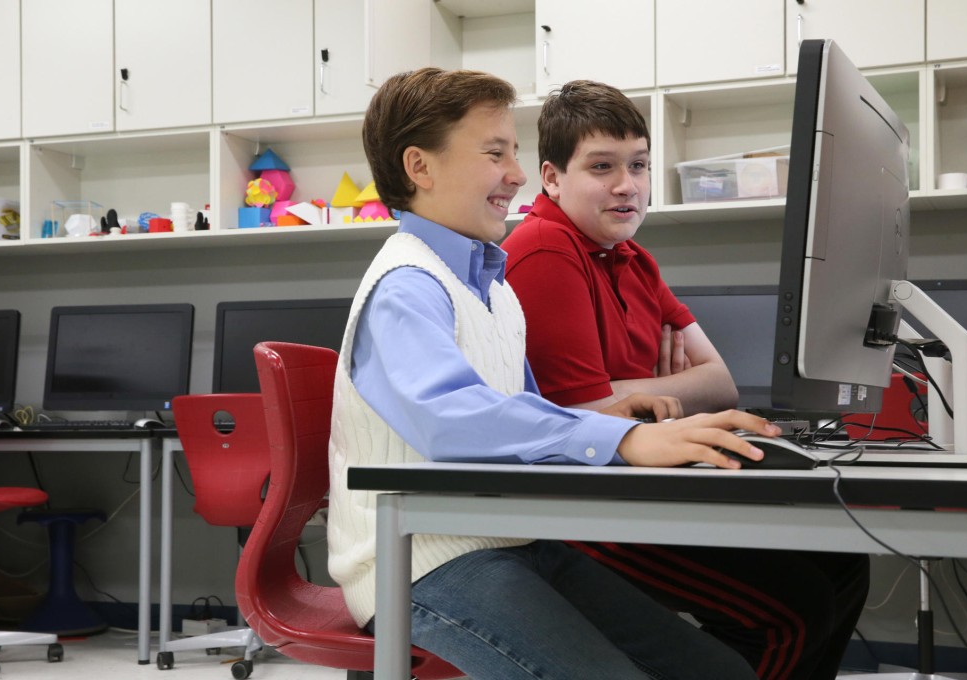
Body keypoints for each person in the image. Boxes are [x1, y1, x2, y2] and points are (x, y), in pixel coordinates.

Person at [326, 66, 778, 680]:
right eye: (494, 153)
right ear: (420, 168)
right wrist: (622, 438)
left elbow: (525, 415)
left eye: (514, 152)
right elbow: (451, 419)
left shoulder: (492, 287)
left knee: (719, 671)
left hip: (511, 540)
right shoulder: (407, 285)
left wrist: (614, 418)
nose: (516, 173)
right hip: (421, 560)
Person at [501, 79, 870, 680]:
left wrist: (640, 391)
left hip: (638, 489)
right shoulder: (544, 249)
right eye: (602, 167)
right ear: (551, 177)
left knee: (843, 562)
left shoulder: (632, 257)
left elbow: (719, 381)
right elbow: (592, 413)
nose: (627, 185)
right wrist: (637, 390)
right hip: (580, 511)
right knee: (790, 610)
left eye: (639, 165)